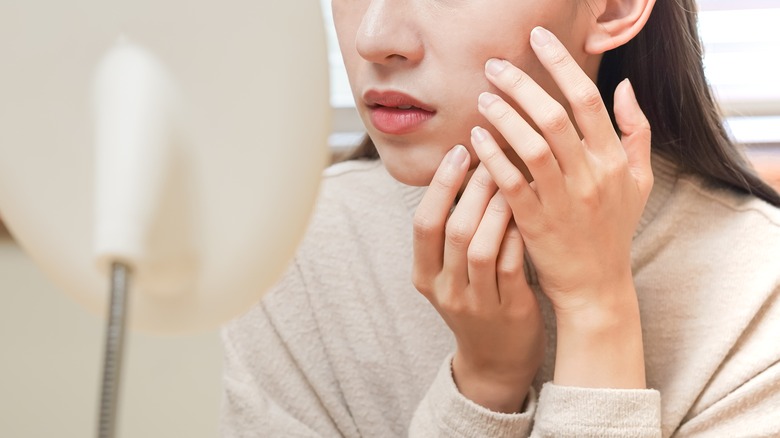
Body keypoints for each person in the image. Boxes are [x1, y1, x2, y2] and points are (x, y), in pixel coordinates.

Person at [221, 0, 780, 436]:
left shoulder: (759, 289)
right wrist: (486, 385)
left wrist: (597, 310)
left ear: (610, 8)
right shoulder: (289, 250)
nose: (374, 38)